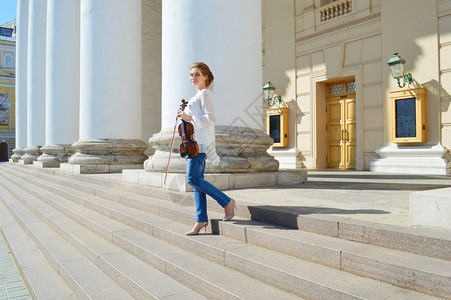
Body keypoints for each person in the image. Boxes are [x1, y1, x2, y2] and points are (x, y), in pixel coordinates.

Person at [177, 62, 236, 236]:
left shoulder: (205, 93)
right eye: (191, 75)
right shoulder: (195, 97)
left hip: (201, 145)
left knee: (192, 179)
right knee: (197, 184)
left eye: (197, 74)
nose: (193, 78)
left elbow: (211, 118)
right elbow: (190, 126)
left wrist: (190, 117)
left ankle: (226, 202)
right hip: (193, 145)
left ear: (206, 77)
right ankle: (201, 220)